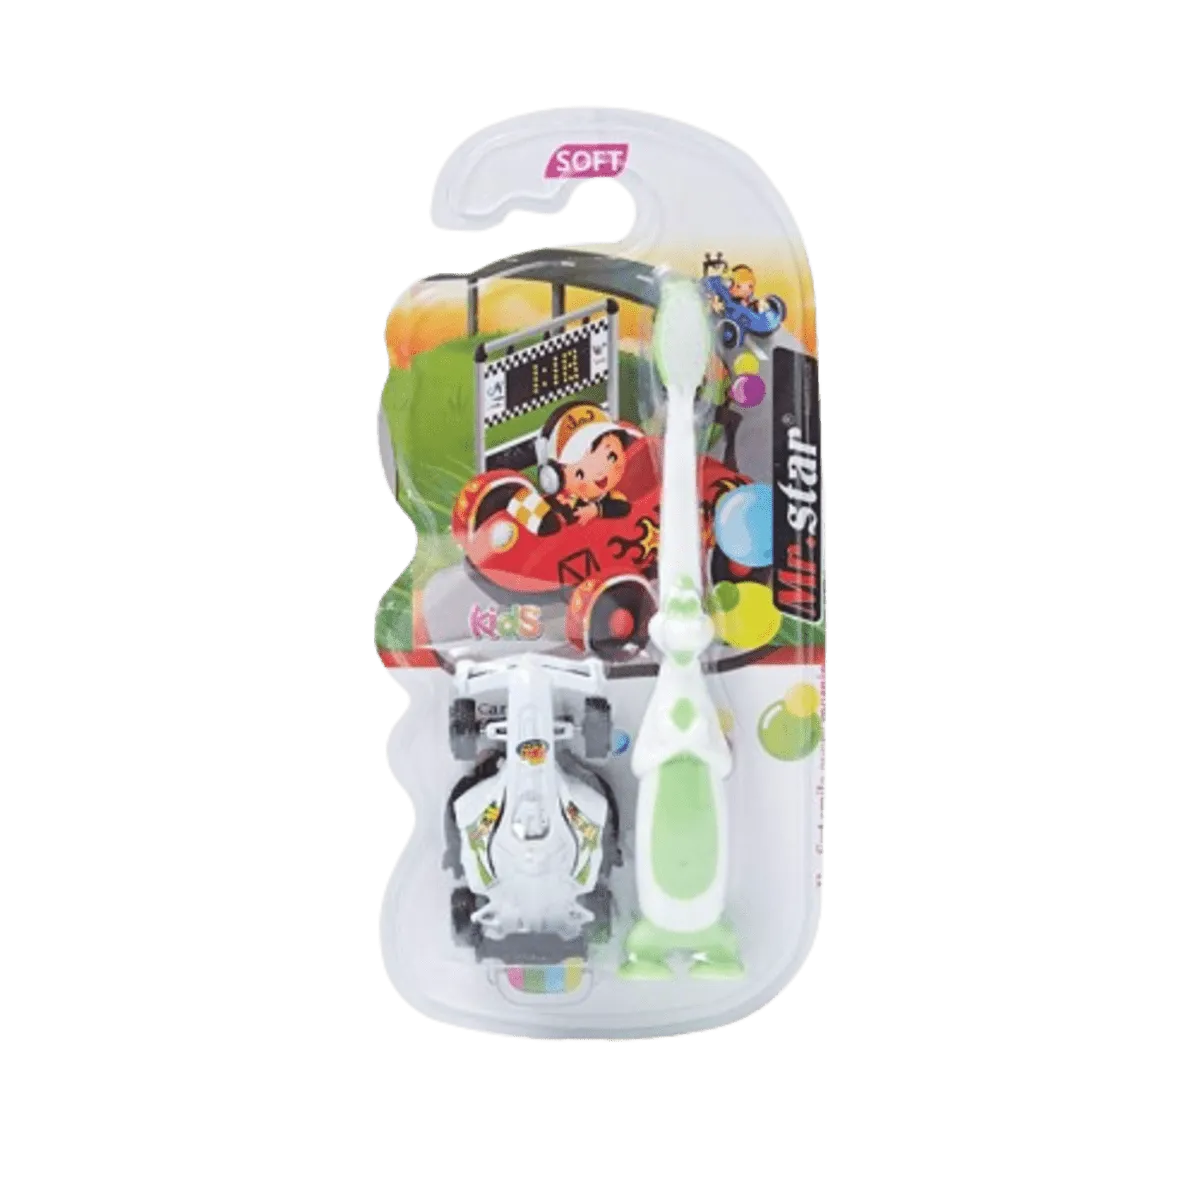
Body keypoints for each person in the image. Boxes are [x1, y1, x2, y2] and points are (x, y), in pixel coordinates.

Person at [536, 402, 642, 527]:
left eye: (611, 457)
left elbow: (624, 508)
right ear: (554, 478)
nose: (600, 472)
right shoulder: (563, 500)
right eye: (580, 473)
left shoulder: (613, 497)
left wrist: (596, 510)